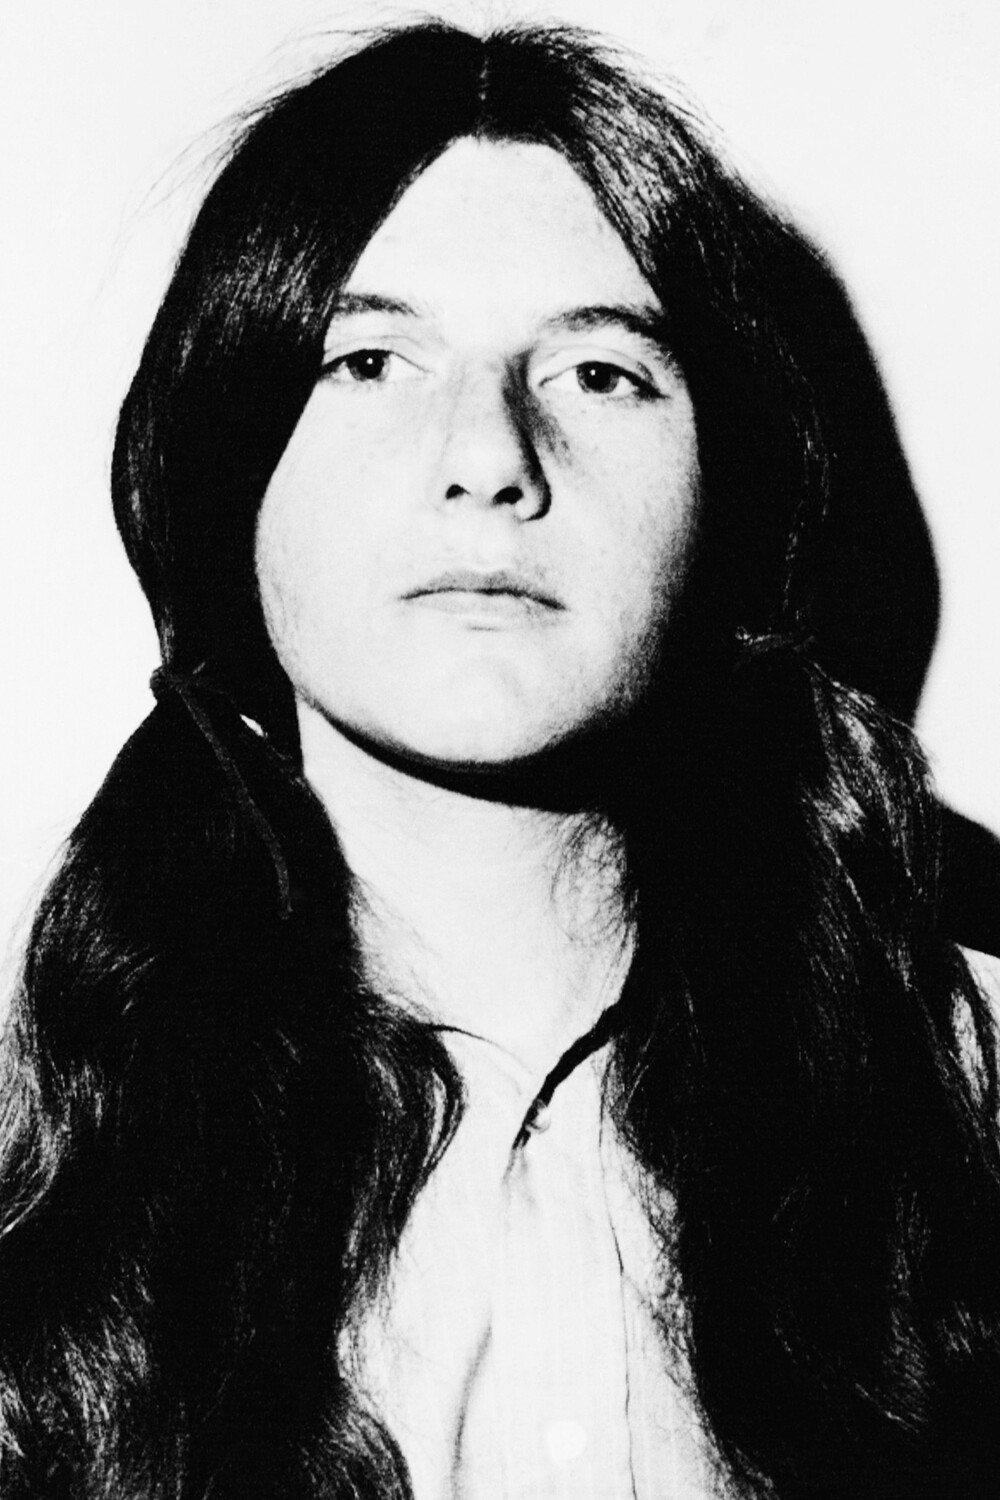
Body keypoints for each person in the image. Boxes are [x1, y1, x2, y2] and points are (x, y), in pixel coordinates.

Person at [2, 19, 999, 1500]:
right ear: (222, 468)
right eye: (368, 360)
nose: (489, 454)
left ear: (730, 497)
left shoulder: (973, 1094)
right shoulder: (30, 1148)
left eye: (600, 372)